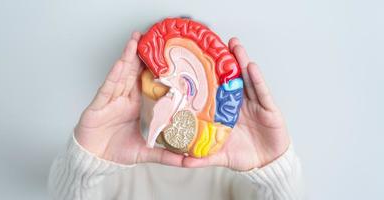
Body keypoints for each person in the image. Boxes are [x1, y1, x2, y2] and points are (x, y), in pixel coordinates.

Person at [48, 32, 303, 200]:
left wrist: (273, 170)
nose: (169, 98)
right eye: (157, 84)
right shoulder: (118, 165)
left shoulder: (231, 168)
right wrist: (84, 164)